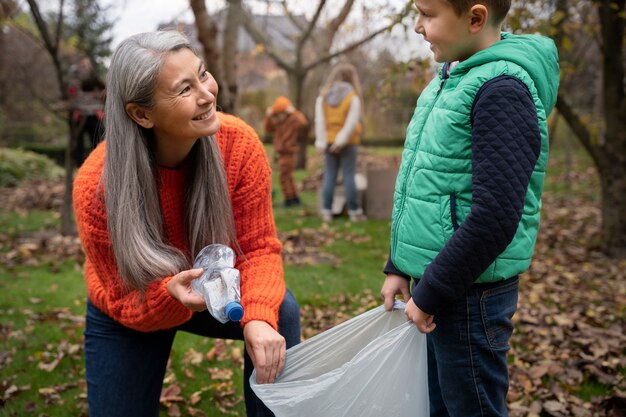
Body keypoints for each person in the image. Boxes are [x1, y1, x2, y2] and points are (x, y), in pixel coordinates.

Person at [72, 31, 301, 417]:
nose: (208, 94)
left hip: (207, 291)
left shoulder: (239, 146)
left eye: (203, 74)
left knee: (281, 311)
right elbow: (122, 293)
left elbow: (259, 248)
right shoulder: (97, 186)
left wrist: (259, 317)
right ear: (141, 114)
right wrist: (168, 295)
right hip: (131, 305)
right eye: (184, 89)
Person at [380, 0, 559, 415]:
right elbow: (427, 186)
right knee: (440, 406)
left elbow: (494, 217)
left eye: (427, 14)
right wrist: (399, 265)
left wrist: (431, 293)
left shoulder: (501, 90)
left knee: (471, 408)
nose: (417, 27)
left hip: (469, 297)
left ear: (475, 18)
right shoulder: (451, 78)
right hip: (440, 287)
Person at [314, 62, 365, 222]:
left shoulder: (323, 96)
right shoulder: (353, 97)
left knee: (329, 176)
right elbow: (351, 123)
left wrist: (322, 142)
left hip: (329, 142)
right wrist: (341, 142)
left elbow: (320, 121)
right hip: (348, 143)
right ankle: (355, 212)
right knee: (349, 176)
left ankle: (326, 211)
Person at [263, 96, 309, 207]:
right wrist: (269, 116)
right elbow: (268, 129)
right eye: (277, 114)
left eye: (281, 113)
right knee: (288, 176)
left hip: (289, 152)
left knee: (284, 176)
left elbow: (303, 122)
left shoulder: (293, 119)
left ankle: (289, 199)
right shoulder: (278, 121)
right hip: (281, 152)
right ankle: (294, 198)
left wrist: (294, 112)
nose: (280, 116)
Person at [69, 56, 105, 167]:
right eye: (83, 65)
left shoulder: (95, 79)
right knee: (78, 144)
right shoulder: (74, 79)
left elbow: (103, 90)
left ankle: (98, 165)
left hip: (94, 115)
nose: (85, 67)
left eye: (87, 64)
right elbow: (71, 94)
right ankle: (80, 166)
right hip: (80, 116)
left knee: (98, 142)